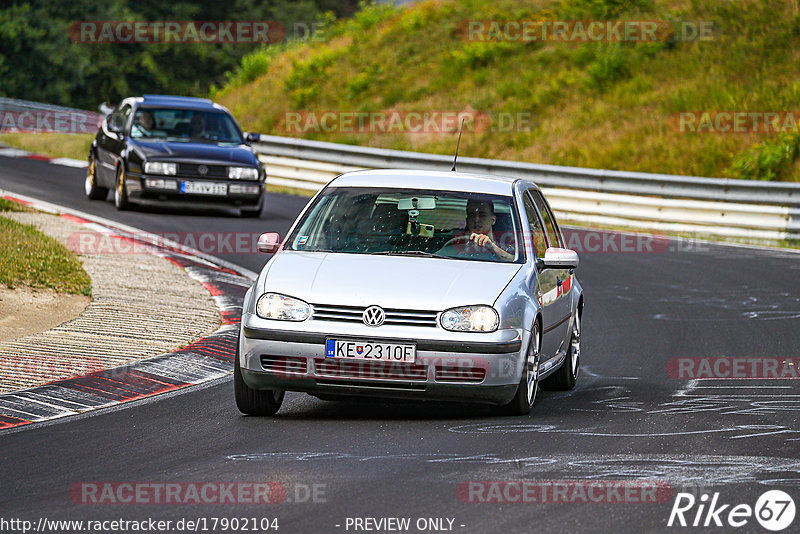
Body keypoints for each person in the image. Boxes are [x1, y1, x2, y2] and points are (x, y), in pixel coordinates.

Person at [439, 199, 515, 261]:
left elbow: (513, 260)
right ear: (467, 220)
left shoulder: (506, 245)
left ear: (493, 219)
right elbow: (438, 256)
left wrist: (492, 247)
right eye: (472, 215)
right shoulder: (457, 243)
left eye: (482, 215)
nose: (476, 220)